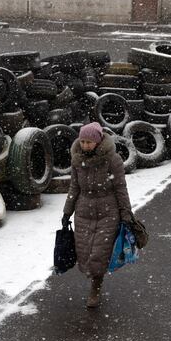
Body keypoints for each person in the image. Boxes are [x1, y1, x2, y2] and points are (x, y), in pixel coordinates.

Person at [61, 122, 133, 308]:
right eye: (82, 141)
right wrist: (67, 211)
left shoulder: (112, 160)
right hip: (83, 211)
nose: (85, 145)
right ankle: (94, 279)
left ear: (98, 141)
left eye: (89, 142)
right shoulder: (77, 159)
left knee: (99, 253)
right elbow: (74, 187)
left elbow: (120, 188)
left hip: (107, 211)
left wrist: (126, 213)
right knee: (84, 252)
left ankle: (96, 287)